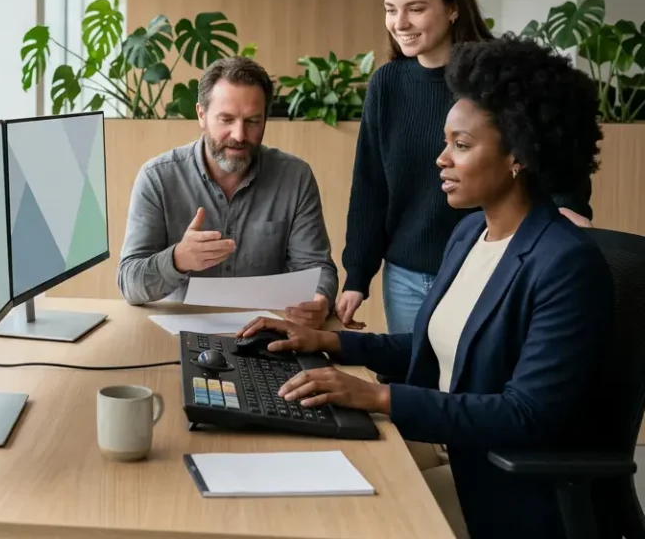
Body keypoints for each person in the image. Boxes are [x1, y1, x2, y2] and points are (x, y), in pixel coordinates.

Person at [237, 35, 611, 539]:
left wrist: (378, 397)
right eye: (445, 142)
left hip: (501, 489)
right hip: (449, 448)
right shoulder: (469, 234)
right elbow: (443, 341)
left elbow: (527, 414)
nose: (441, 159)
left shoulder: (565, 263)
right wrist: (330, 341)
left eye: (461, 145)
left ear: (518, 155)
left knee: (330, 517)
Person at [338, 0, 593, 334]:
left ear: (453, 7)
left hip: (488, 265)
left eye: (416, 8)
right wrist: (357, 275)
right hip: (405, 276)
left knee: (476, 384)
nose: (400, 22)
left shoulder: (497, 79)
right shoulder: (387, 85)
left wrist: (571, 205)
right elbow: (370, 185)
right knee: (415, 386)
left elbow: (551, 138)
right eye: (391, 9)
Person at [117, 55, 338, 327]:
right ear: (201, 115)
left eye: (253, 121)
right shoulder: (157, 177)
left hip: (267, 335)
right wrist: (177, 260)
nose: (239, 135)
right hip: (178, 332)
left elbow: (316, 269)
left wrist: (320, 300)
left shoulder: (295, 177)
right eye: (226, 119)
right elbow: (129, 283)